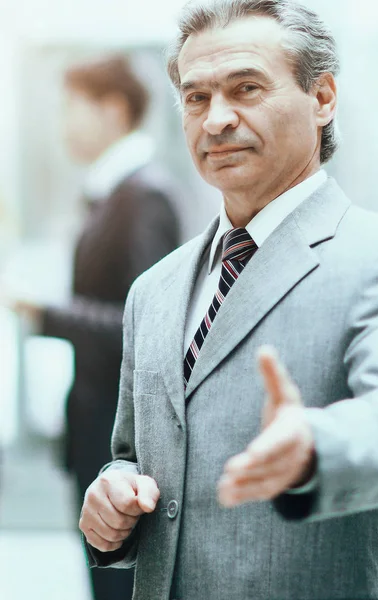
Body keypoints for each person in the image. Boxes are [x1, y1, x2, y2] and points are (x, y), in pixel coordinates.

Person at [79, 2, 378, 599]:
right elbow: (132, 455)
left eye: (246, 88)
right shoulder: (153, 290)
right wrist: (114, 492)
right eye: (197, 98)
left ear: (324, 98)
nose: (216, 120)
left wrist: (314, 447)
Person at [9, 56, 181, 600]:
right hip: (98, 429)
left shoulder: (142, 196)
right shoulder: (112, 194)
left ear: (113, 110)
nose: (63, 124)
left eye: (71, 108)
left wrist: (44, 311)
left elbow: (146, 328)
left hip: (121, 442)